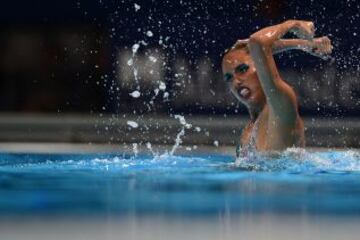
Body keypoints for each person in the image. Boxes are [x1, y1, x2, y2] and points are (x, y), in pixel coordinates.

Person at [221, 20, 332, 154]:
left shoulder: (281, 101)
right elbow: (259, 47)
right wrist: (304, 44)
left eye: (243, 69)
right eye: (229, 78)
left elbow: (258, 42)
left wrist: (294, 24)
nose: (236, 81)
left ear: (260, 67)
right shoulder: (249, 129)